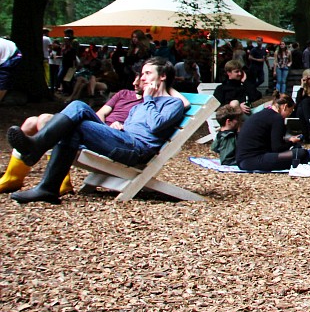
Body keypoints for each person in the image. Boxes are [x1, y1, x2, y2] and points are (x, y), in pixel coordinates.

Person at [7, 58, 188, 204]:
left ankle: (39, 156)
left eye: (148, 73)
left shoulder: (172, 103)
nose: (142, 78)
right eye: (142, 74)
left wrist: (148, 98)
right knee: (78, 106)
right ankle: (47, 186)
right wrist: (118, 127)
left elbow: (156, 125)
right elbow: (137, 125)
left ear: (162, 76)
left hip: (137, 150)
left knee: (76, 124)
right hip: (124, 139)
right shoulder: (140, 105)